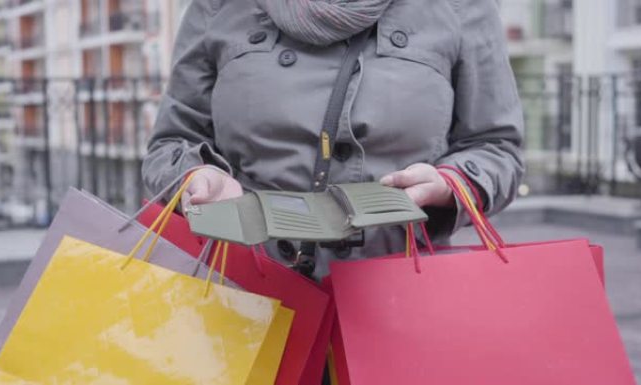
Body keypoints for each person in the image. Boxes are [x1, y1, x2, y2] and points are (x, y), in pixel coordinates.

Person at [142, 0, 524, 280]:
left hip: (401, 292)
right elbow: (171, 145)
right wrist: (196, 178)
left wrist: (447, 185)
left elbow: (496, 146)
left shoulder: (461, 8)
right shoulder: (218, 7)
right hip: (244, 292)